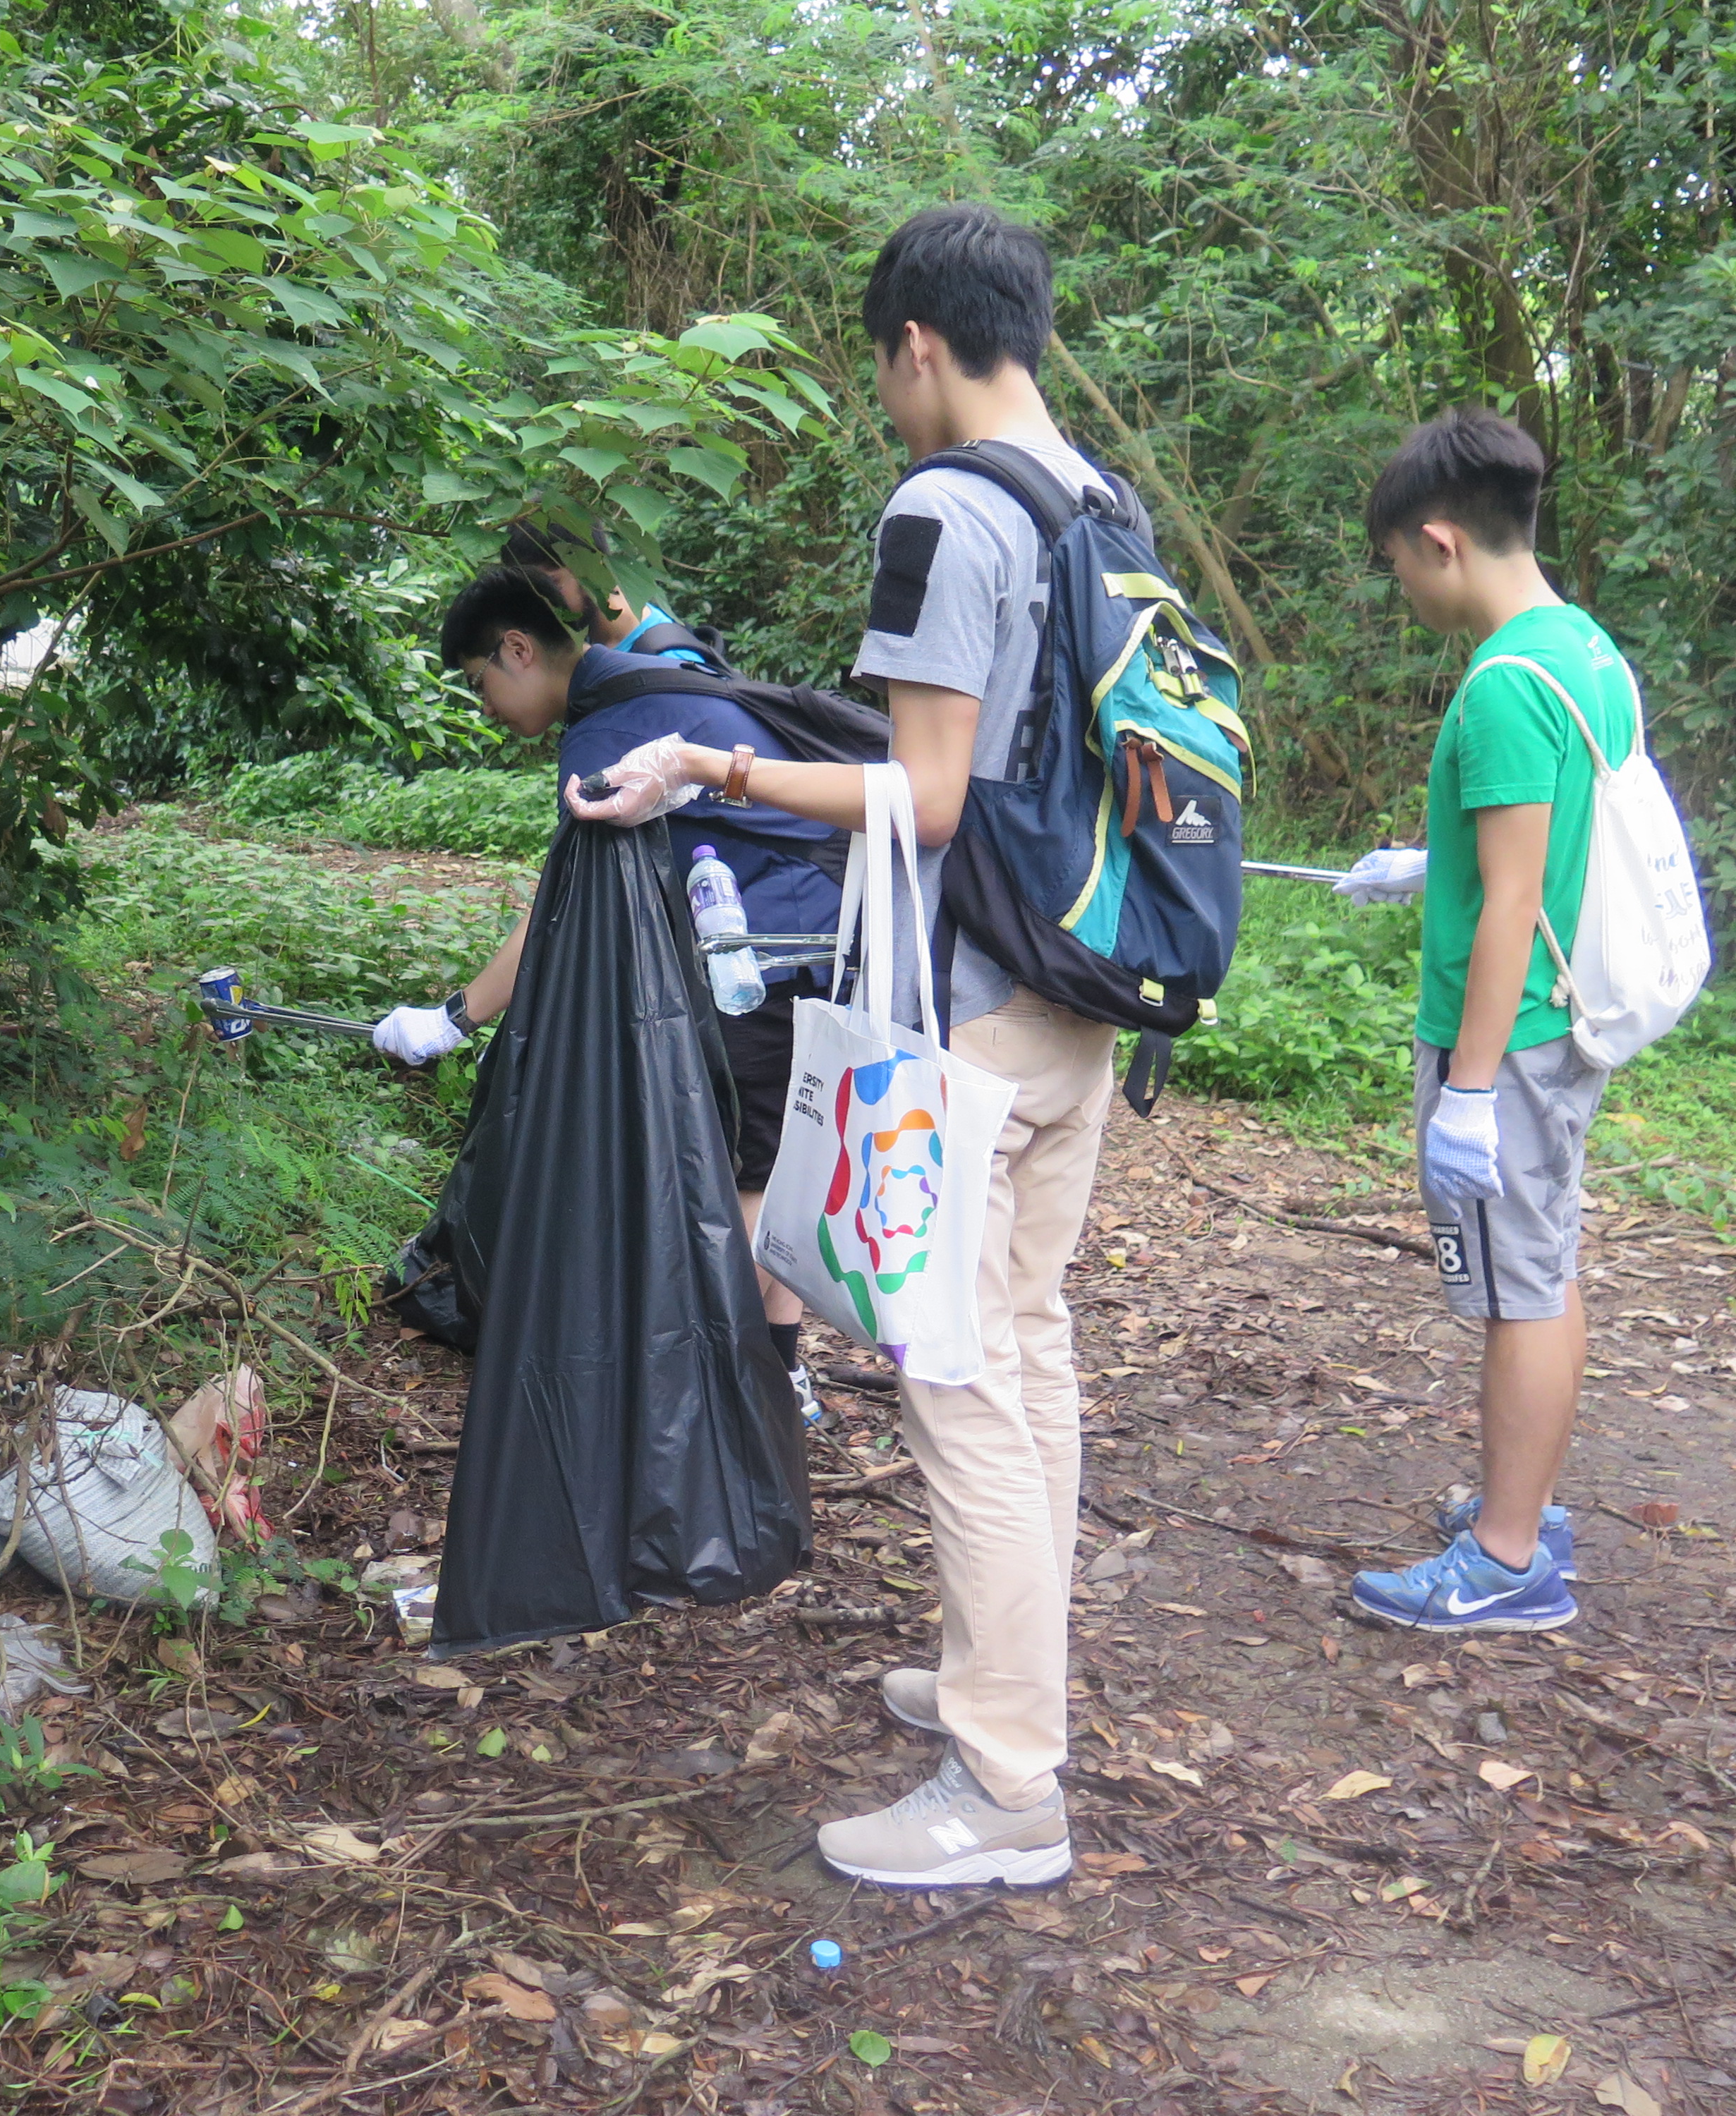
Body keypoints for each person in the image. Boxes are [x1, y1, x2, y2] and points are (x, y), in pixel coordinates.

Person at [564, 202, 1122, 1891]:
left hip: (970, 1001)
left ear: (917, 348)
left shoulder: (949, 507)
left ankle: (1006, 1784)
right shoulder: (1101, 499)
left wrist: (712, 772)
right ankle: (1002, 1678)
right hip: (1081, 979)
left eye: (884, 370)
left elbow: (927, 795)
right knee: (1022, 1337)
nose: (890, 399)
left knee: (948, 1363)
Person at [368, 565, 841, 1415]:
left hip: (754, 962)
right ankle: (774, 1375)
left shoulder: (609, 725)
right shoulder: (657, 668)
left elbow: (561, 906)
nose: (486, 710)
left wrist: (452, 1017)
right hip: (813, 946)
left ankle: (740, 1395)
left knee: (736, 1180)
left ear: (518, 649)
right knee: (765, 1167)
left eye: (480, 685)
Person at [1335, 407, 1635, 1634]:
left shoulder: (1505, 683)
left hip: (1504, 1040)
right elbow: (1546, 849)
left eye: (1399, 561)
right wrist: (1432, 861)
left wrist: (1464, 1088)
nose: (1402, 586)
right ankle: (1525, 1508)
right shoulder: (1585, 649)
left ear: (1443, 541)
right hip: (1555, 1023)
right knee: (1542, 1266)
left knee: (1523, 1289)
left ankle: (1511, 1562)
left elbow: (1515, 901)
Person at [502, 518, 725, 669]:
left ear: (596, 569)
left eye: (550, 586)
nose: (540, 605)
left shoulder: (670, 663)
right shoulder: (585, 638)